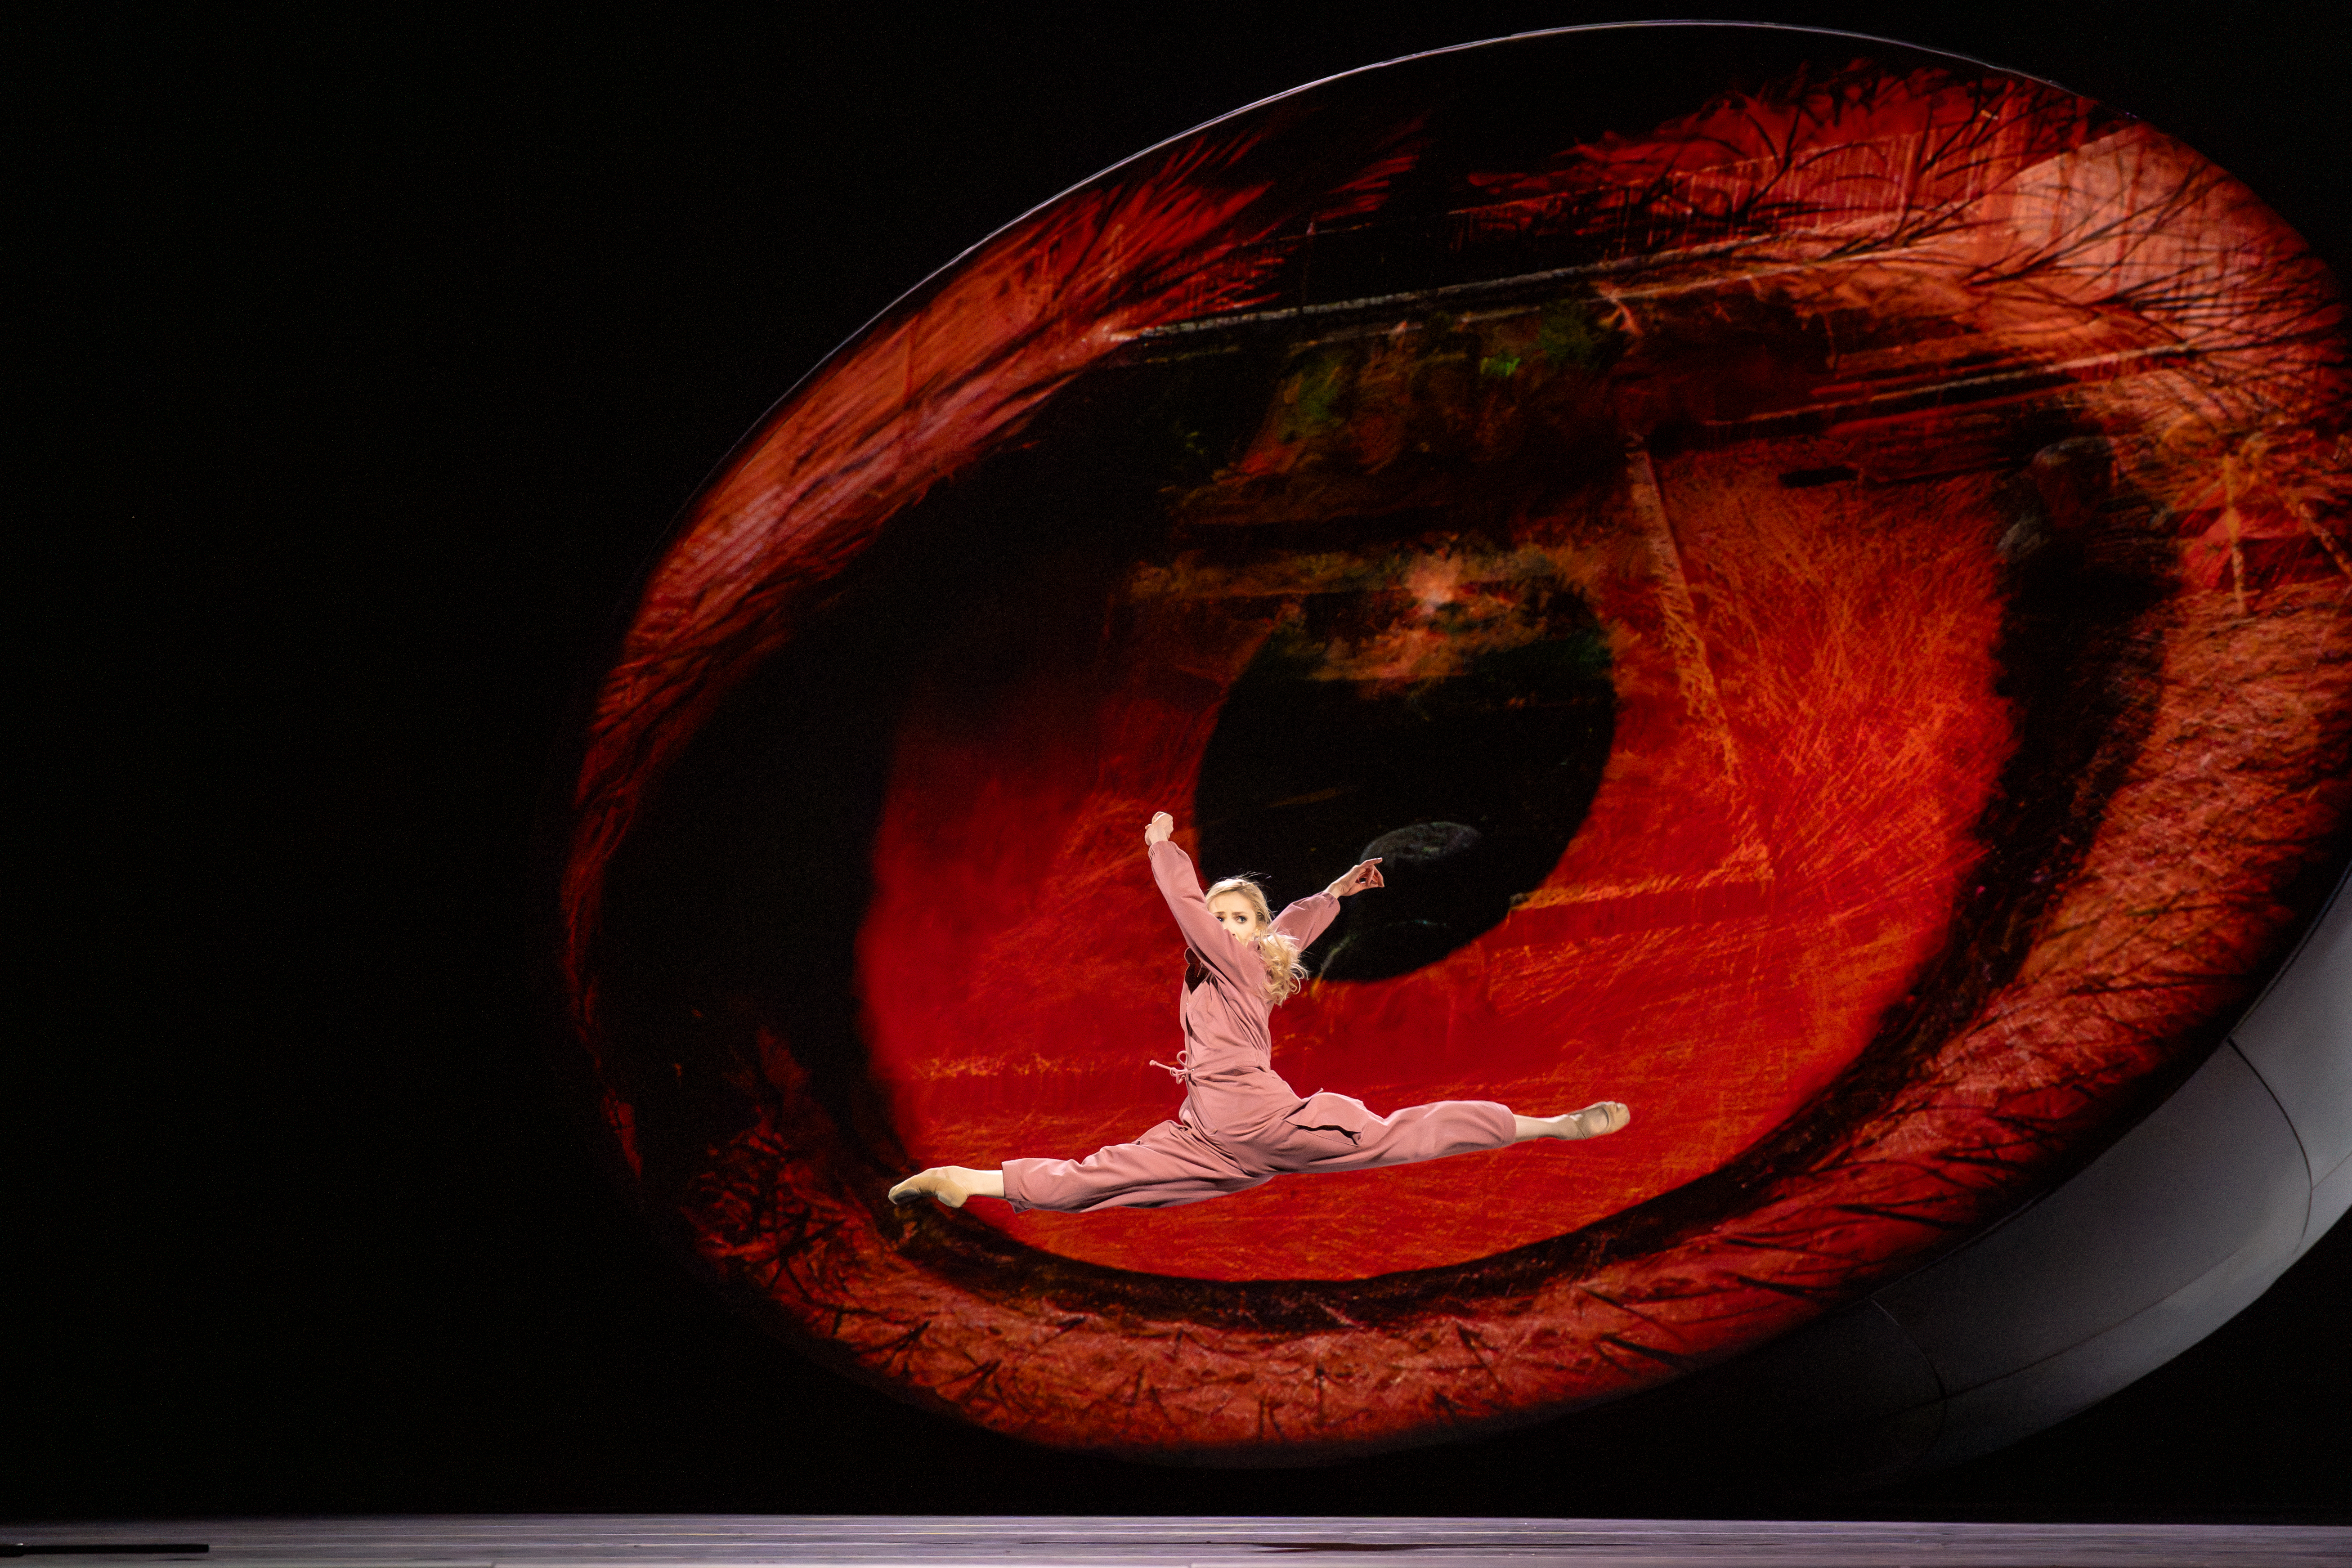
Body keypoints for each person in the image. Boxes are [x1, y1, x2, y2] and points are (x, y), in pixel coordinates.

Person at [888, 811, 1630, 1212]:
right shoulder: (1231, 962)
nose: (1221, 925)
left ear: (1249, 935)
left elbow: (1199, 909)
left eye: (1236, 918)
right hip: (1207, 1137)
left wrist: (1162, 848)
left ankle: (1552, 1125)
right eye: (1221, 917)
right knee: (1099, 1180)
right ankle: (965, 1180)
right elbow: (1295, 926)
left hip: (1262, 1123)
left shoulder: (1235, 960)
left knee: (1404, 1136)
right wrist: (1337, 890)